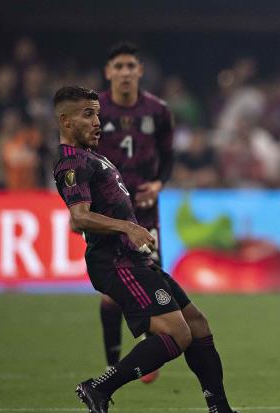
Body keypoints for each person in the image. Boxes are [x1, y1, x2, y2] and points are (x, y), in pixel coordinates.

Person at [52, 85, 265, 413]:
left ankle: (220, 412)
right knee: (177, 335)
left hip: (135, 260)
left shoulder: (95, 157)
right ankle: (99, 388)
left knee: (197, 325)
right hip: (117, 263)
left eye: (97, 114)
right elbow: (78, 217)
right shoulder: (71, 162)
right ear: (65, 120)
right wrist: (128, 228)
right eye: (87, 115)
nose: (97, 122)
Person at [95, 42, 174, 383]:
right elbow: (80, 157)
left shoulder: (157, 111)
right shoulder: (94, 110)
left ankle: (148, 350)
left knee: (153, 281)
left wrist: (158, 183)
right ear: (108, 72)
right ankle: (112, 362)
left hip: (146, 211)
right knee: (111, 294)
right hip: (111, 214)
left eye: (131, 66)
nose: (125, 72)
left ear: (140, 71)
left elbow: (168, 157)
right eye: (119, 66)